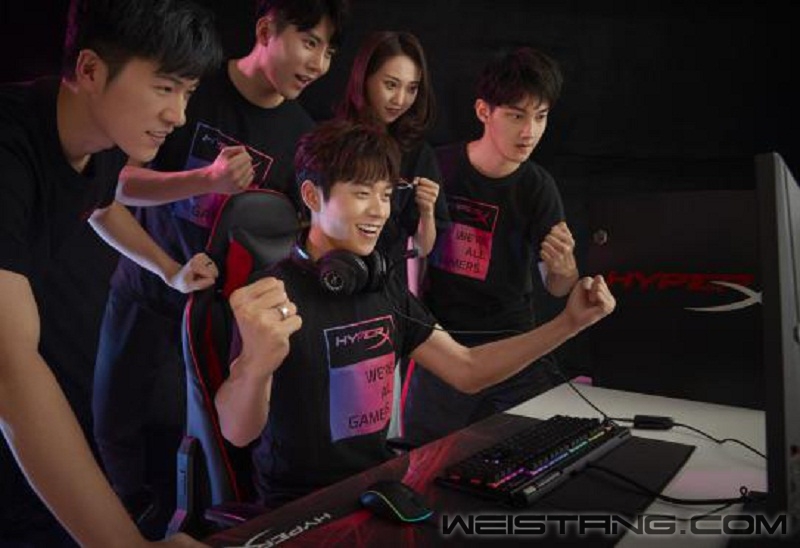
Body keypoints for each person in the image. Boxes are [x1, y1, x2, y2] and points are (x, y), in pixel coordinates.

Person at [215, 119, 614, 506]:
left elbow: (467, 369)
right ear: (313, 196)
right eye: (362, 193)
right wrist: (255, 366)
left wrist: (569, 323)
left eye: (386, 195)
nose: (379, 211)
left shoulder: (383, 285)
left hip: (376, 489)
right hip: (300, 506)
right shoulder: (271, 294)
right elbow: (237, 432)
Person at [91, 0, 349, 533]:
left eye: (329, 51)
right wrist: (204, 182)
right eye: (309, 42)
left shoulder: (301, 133)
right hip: (145, 285)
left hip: (216, 317)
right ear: (266, 30)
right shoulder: (193, 88)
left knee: (201, 444)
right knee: (115, 425)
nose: (319, 63)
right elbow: (114, 185)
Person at [0, 1, 222, 546]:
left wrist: (169, 271)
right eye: (164, 87)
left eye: (187, 92)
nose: (179, 115)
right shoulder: (9, 148)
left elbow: (104, 204)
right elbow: (8, 367)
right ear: (90, 70)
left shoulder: (98, 142)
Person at [402, 47, 581, 446]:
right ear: (484, 111)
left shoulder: (537, 186)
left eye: (540, 117)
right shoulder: (439, 166)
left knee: (538, 451)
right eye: (516, 116)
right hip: (444, 342)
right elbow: (414, 251)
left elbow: (557, 286)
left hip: (511, 341)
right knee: (422, 460)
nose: (529, 132)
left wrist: (565, 268)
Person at [336, 30, 448, 292]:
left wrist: (427, 212)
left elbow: (421, 248)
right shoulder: (331, 141)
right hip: (330, 273)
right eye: (390, 85)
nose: (400, 100)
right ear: (365, 78)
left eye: (412, 88)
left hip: (385, 284)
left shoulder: (419, 154)